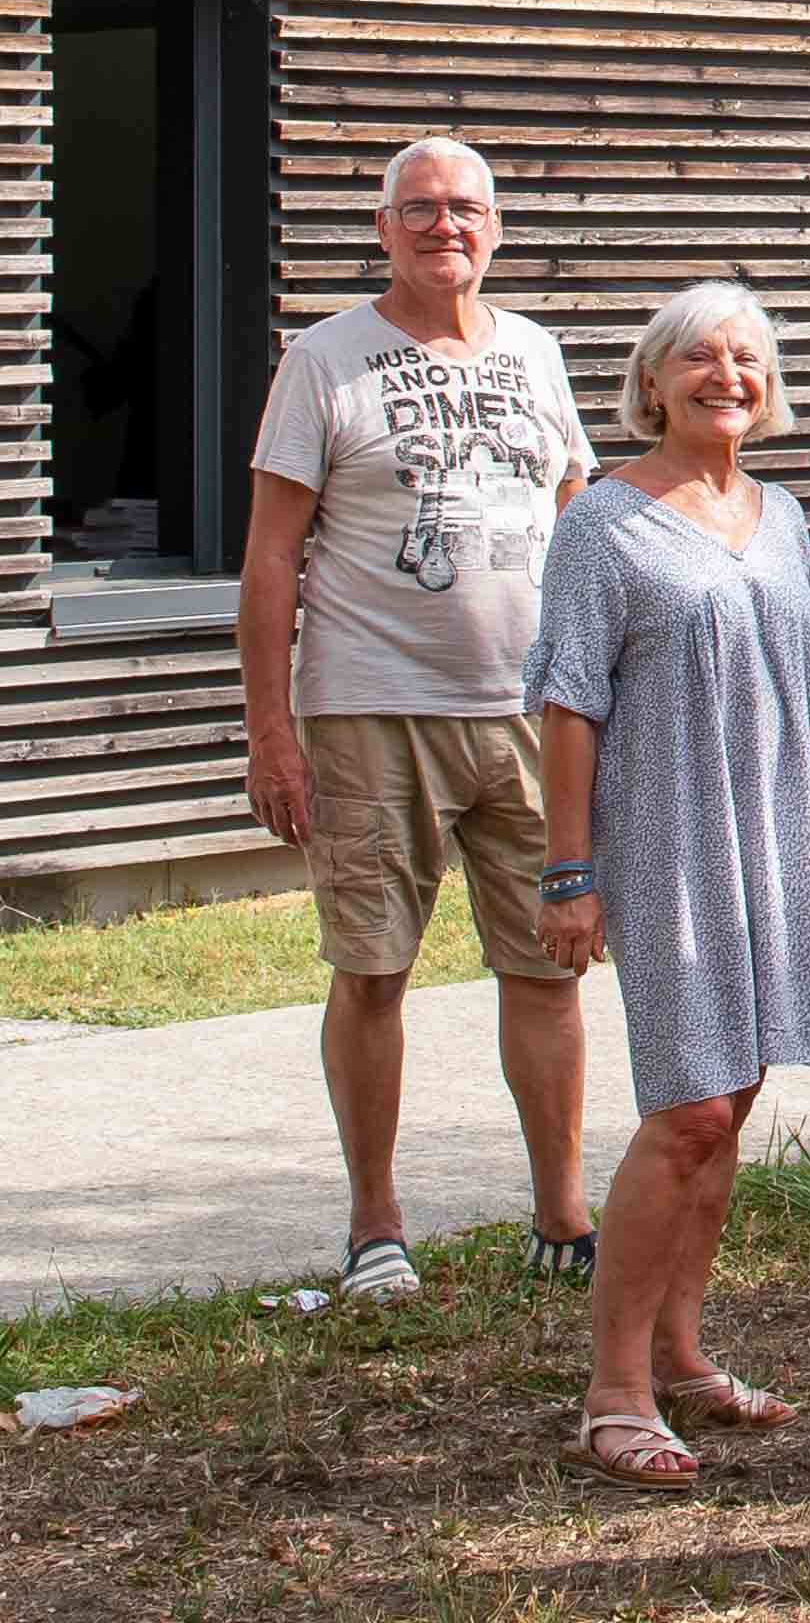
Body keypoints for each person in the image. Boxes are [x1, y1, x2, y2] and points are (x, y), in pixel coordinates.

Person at [238, 135, 598, 1303]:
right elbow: (270, 555)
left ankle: (561, 1213)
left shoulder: (537, 352)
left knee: (549, 964)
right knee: (375, 966)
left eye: (468, 209)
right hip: (368, 706)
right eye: (423, 209)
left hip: (532, 711)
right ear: (384, 227)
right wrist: (271, 728)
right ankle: (376, 1223)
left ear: (496, 228)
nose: (448, 227)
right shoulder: (325, 359)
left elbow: (581, 529)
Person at [525, 284, 810, 1489]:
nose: (727, 373)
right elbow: (568, 701)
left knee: (737, 1099)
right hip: (662, 842)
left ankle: (682, 1347)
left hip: (777, 837)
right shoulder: (602, 523)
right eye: (699, 356)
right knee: (689, 1107)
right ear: (651, 380)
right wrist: (570, 870)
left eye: (748, 355)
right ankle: (611, 1390)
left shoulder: (782, 513)